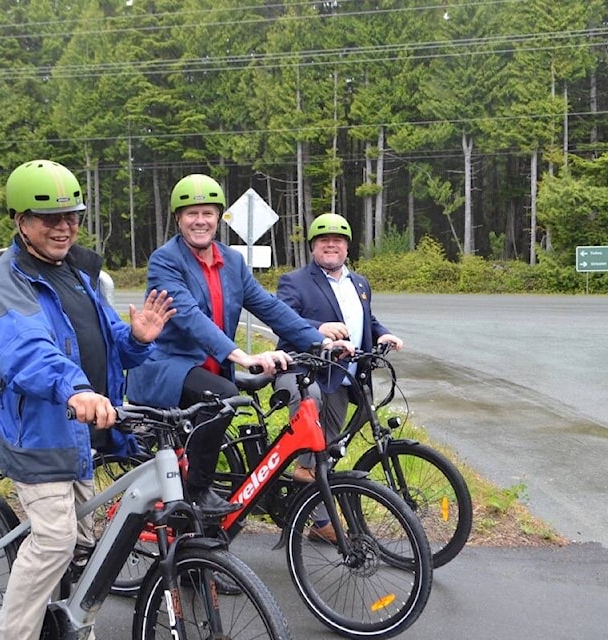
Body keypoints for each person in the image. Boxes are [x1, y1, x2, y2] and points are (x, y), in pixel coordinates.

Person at [0, 159, 175, 640]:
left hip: (82, 432)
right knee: (57, 541)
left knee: (86, 545)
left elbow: (100, 341)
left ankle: (70, 629)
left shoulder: (75, 274)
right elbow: (28, 352)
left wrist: (137, 339)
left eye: (72, 216)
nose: (64, 227)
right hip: (38, 436)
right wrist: (76, 388)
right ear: (21, 222)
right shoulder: (5, 283)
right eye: (50, 218)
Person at [125, 173, 337, 518]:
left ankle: (225, 507)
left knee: (236, 403)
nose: (200, 221)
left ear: (218, 217)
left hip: (208, 367)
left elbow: (269, 307)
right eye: (191, 214)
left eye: (208, 213)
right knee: (223, 395)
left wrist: (320, 341)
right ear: (178, 218)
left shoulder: (232, 261)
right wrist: (241, 355)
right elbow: (189, 316)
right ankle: (197, 491)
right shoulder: (165, 261)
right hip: (168, 365)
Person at [274, 213, 403, 540]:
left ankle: (318, 523)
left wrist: (383, 334)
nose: (331, 245)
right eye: (323, 240)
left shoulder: (359, 283)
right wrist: (318, 330)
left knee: (329, 451)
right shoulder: (296, 281)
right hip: (303, 371)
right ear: (313, 247)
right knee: (311, 419)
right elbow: (282, 319)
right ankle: (299, 477)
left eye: (338, 240)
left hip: (343, 378)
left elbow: (367, 320)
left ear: (347, 247)